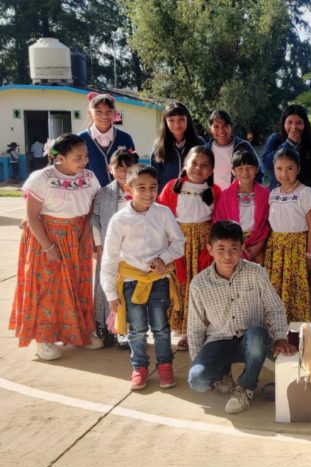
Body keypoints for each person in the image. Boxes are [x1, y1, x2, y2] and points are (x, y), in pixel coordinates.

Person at [188, 221, 297, 414]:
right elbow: (195, 327)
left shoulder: (256, 273)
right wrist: (201, 362)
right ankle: (223, 373)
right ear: (210, 249)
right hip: (219, 340)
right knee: (197, 380)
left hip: (251, 340)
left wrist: (280, 336)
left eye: (233, 249)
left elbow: (274, 306)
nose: (228, 256)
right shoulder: (199, 284)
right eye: (221, 249)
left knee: (257, 334)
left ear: (242, 249)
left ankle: (246, 387)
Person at [10, 134, 102, 360]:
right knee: (48, 288)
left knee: (78, 285)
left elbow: (92, 207)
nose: (84, 162)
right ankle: (45, 339)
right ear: (60, 158)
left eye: (86, 156)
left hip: (78, 235)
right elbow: (32, 217)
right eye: (78, 157)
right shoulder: (42, 178)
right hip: (47, 237)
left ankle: (78, 333)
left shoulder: (89, 177)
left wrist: (84, 237)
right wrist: (49, 248)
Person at [100, 165, 185, 390]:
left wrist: (163, 259)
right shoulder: (119, 220)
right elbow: (109, 258)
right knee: (136, 329)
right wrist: (110, 293)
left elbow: (179, 243)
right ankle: (139, 367)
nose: (148, 193)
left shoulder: (163, 213)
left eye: (153, 187)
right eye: (142, 188)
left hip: (158, 280)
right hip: (131, 283)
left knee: (161, 327)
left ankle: (165, 365)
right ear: (129, 188)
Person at [157, 146, 222, 351]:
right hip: (178, 244)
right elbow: (160, 218)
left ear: (211, 170)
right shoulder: (171, 188)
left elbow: (217, 220)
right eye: (194, 163)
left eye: (204, 165)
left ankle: (204, 329)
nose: (198, 168)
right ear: (185, 164)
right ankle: (186, 331)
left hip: (204, 246)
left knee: (203, 287)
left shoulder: (215, 191)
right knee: (181, 287)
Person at [92, 148, 139, 348]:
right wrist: (98, 244)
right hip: (110, 249)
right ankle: (106, 328)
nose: (122, 171)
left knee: (130, 290)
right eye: (117, 167)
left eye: (127, 167)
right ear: (110, 169)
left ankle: (129, 331)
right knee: (108, 288)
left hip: (133, 249)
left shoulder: (139, 190)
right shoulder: (104, 193)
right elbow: (94, 219)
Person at [264, 147, 311, 323]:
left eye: (290, 168)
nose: (284, 174)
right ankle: (278, 328)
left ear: (298, 169)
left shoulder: (305, 193)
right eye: (279, 168)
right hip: (277, 248)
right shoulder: (273, 194)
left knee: (296, 287)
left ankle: (298, 329)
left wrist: (310, 254)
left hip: (297, 247)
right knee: (277, 287)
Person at [212, 149, 270, 263]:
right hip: (232, 246)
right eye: (240, 168)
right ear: (233, 171)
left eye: (250, 167)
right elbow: (218, 224)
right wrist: (237, 243)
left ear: (257, 169)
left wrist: (258, 246)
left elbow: (268, 224)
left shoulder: (265, 195)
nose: (245, 172)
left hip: (259, 246)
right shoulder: (225, 196)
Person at [79, 93, 136, 186]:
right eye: (98, 111)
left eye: (109, 111)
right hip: (90, 193)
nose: (104, 116)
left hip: (121, 194)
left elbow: (133, 167)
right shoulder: (81, 139)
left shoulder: (125, 138)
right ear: (90, 113)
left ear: (115, 113)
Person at [262, 104, 311, 189]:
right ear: (283, 123)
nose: (294, 127)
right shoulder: (275, 139)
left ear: (305, 124)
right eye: (289, 122)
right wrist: (289, 143)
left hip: (305, 194)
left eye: (299, 123)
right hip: (279, 193)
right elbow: (266, 163)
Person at [151, 102, 207, 189]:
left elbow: (208, 170)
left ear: (187, 120)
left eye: (181, 119)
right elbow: (154, 176)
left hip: (193, 195)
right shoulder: (159, 145)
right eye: (171, 120)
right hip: (166, 197)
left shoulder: (199, 143)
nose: (177, 124)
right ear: (165, 122)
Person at [205, 110, 260, 190]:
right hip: (212, 199)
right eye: (216, 127)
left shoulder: (243, 146)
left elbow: (258, 172)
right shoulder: (205, 150)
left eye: (225, 126)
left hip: (237, 198)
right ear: (210, 130)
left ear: (232, 127)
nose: (221, 130)